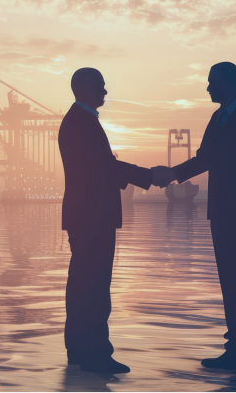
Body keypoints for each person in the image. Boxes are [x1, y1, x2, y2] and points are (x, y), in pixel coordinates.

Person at [152, 62, 236, 371]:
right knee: (231, 279)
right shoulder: (216, 117)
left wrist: (172, 173)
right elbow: (206, 158)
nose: (208, 87)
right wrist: (173, 174)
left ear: (230, 84)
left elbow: (228, 155)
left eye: (213, 82)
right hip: (222, 211)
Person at [59, 67, 172, 374]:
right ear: (85, 89)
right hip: (92, 217)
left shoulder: (77, 121)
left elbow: (101, 167)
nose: (105, 93)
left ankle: (80, 351)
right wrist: (149, 176)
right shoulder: (83, 123)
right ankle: (96, 354)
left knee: (82, 286)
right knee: (95, 286)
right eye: (101, 87)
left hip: (84, 216)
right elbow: (106, 168)